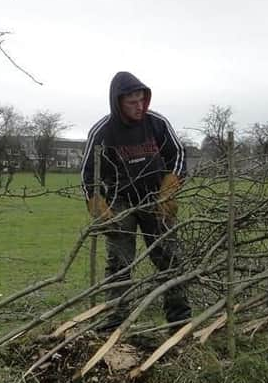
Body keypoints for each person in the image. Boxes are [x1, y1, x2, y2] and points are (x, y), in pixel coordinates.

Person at [81, 71, 191, 327]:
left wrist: (169, 188)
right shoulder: (102, 131)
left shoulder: (157, 124)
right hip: (120, 201)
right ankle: (115, 320)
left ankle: (179, 319)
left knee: (169, 257)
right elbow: (89, 172)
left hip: (155, 198)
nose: (139, 106)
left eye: (142, 100)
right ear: (118, 101)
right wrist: (97, 203)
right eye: (132, 102)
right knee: (119, 262)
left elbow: (179, 156)